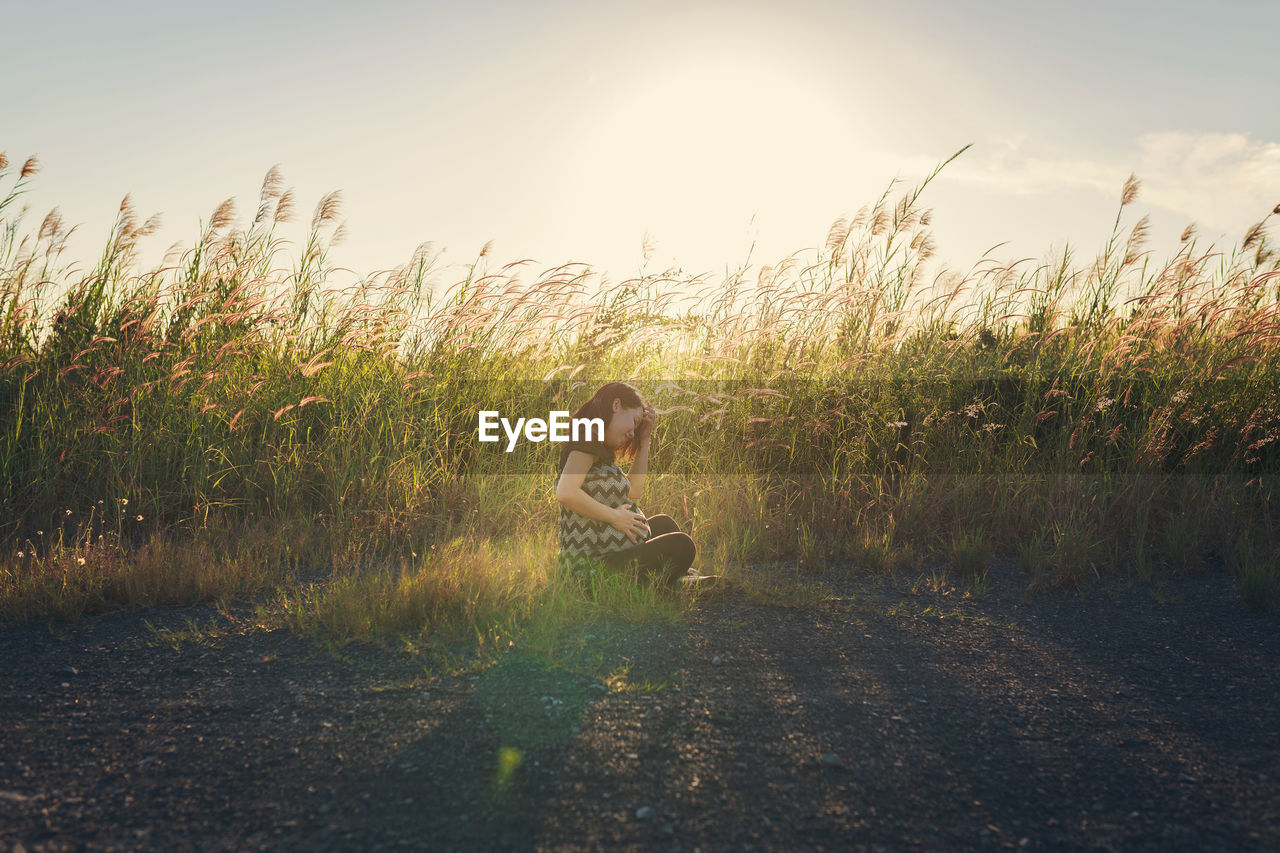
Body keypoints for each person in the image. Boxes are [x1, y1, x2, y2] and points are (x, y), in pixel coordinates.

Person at [554, 381, 696, 587]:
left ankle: (680, 579)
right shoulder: (585, 443)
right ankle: (679, 580)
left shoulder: (600, 452)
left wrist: (645, 440)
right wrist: (616, 517)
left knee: (664, 524)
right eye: (635, 421)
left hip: (612, 553)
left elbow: (635, 491)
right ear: (616, 405)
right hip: (593, 566)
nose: (633, 434)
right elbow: (566, 492)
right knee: (682, 545)